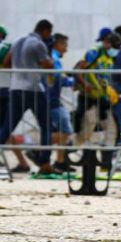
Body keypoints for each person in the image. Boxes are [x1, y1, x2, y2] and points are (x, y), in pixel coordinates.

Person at [0, 20, 56, 174]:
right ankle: (45, 163)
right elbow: (47, 65)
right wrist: (49, 59)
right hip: (34, 89)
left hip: (16, 88)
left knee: (7, 127)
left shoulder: (18, 40)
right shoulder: (38, 44)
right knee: (46, 126)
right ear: (45, 31)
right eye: (49, 33)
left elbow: (6, 62)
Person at [72, 31, 121, 143]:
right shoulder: (94, 53)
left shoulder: (112, 57)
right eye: (114, 47)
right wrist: (84, 84)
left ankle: (107, 158)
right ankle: (69, 148)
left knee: (111, 129)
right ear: (106, 43)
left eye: (118, 48)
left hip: (102, 97)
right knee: (87, 128)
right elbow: (77, 71)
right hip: (88, 97)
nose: (116, 50)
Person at [0, 26, 32, 173]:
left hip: (3, 91)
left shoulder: (5, 47)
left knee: (4, 130)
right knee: (5, 130)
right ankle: (23, 163)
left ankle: (23, 162)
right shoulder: (9, 47)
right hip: (7, 90)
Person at [47, 33, 75, 172]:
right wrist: (76, 81)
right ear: (57, 44)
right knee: (66, 130)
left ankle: (60, 161)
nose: (66, 49)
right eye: (64, 45)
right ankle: (39, 147)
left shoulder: (53, 57)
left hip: (52, 99)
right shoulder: (54, 58)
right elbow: (59, 78)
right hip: (52, 100)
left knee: (62, 130)